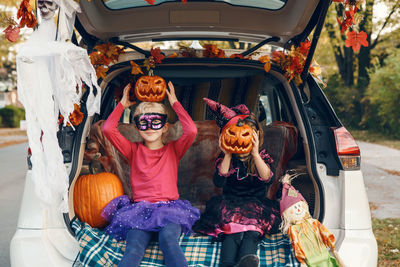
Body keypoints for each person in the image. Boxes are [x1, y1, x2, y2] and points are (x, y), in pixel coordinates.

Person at [101, 81, 200, 267]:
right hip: (139, 210)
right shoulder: (132, 150)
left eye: (156, 122)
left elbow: (191, 130)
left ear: (165, 127)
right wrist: (122, 104)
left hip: (170, 210)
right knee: (134, 247)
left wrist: (175, 103)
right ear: (137, 127)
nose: (149, 127)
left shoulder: (174, 150)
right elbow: (108, 129)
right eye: (143, 123)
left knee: (169, 241)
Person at [193, 98, 281, 267]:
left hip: (255, 204)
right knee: (230, 231)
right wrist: (226, 153)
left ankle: (246, 261)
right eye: (232, 134)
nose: (239, 138)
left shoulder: (261, 157)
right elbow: (219, 181)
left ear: (256, 136)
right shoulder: (227, 159)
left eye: (246, 134)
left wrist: (255, 154)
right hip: (230, 203)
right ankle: (227, 264)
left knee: (251, 231)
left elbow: (267, 178)